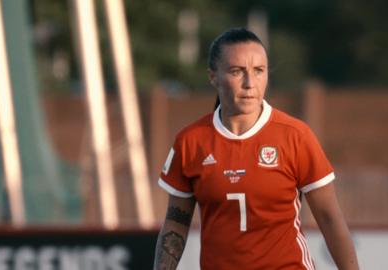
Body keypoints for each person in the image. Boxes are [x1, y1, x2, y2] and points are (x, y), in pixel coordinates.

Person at [153, 27, 359, 270]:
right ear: (213, 76)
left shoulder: (295, 136)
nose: (250, 83)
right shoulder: (190, 142)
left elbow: (329, 218)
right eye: (237, 71)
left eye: (259, 71)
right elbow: (176, 223)